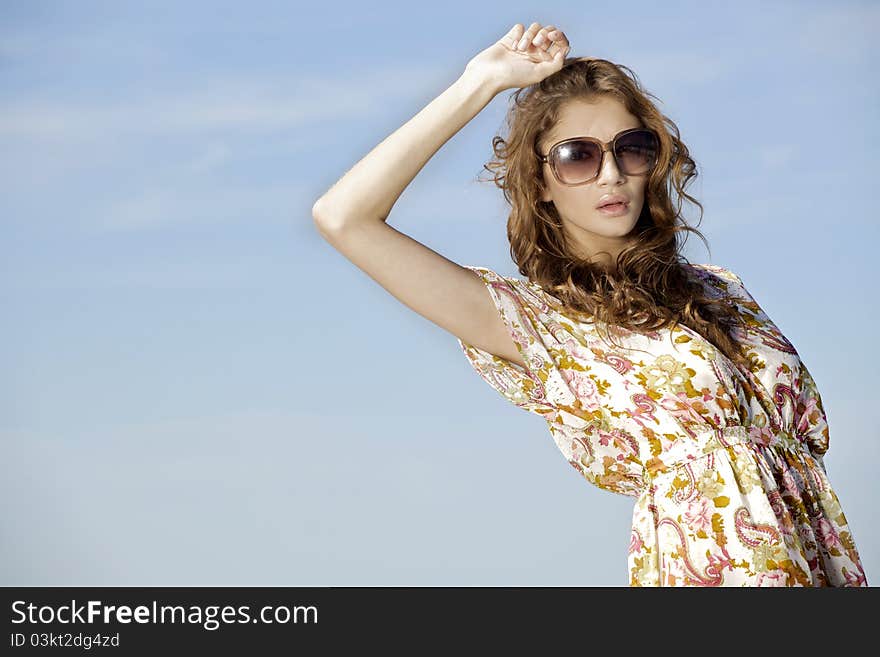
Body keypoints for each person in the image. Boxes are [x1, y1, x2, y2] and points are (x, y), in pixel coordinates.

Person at [311, 22, 868, 587]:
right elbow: (343, 217)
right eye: (579, 156)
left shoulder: (719, 288)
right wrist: (479, 83)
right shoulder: (543, 325)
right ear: (541, 181)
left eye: (632, 149)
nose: (611, 174)